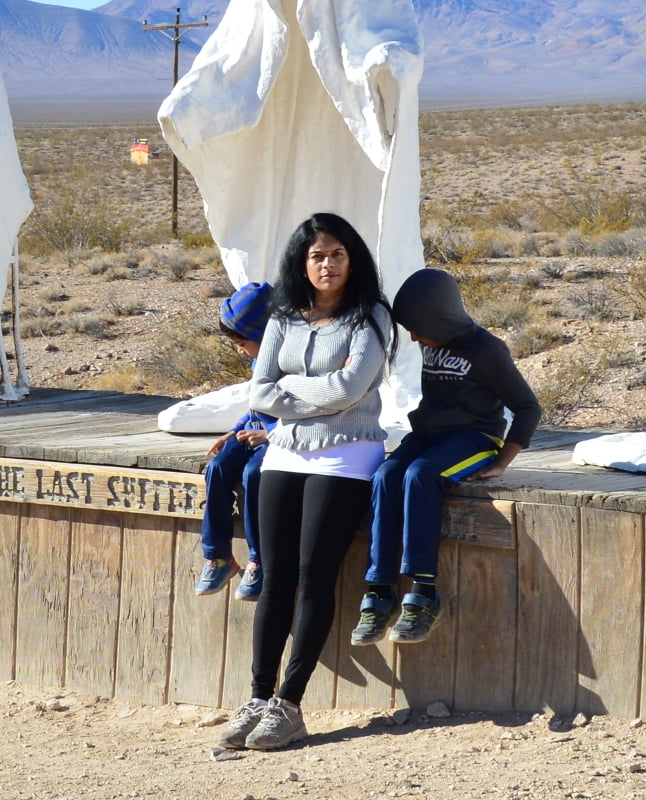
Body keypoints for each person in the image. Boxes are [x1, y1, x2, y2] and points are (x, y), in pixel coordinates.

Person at [217, 213, 393, 752]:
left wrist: (295, 389)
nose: (327, 264)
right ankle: (256, 697)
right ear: (302, 262)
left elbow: (352, 388)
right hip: (285, 452)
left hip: (347, 455)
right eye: (317, 256)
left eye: (337, 254)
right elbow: (259, 393)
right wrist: (314, 391)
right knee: (273, 579)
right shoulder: (283, 318)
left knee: (313, 577)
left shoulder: (372, 317)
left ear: (352, 258)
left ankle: (289, 706)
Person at [349, 267, 540, 646]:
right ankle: (379, 589)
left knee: (420, 475)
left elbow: (527, 407)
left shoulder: (487, 350)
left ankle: (423, 593)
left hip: (475, 439)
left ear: (439, 316)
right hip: (430, 434)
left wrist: (503, 460)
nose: (415, 336)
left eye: (419, 327)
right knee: (387, 475)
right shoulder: (430, 340)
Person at [195, 281, 275, 601]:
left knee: (252, 475)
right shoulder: (259, 359)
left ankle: (260, 559)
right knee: (217, 468)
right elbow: (257, 403)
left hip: (280, 436)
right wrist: (235, 428)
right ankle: (217, 556)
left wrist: (269, 434)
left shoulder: (292, 359)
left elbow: (305, 408)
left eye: (243, 342)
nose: (241, 351)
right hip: (252, 428)